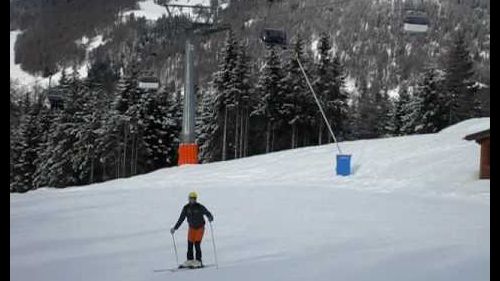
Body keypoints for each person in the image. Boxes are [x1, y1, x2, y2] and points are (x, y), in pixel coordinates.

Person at [171, 191, 214, 268]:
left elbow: (207, 212)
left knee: (197, 244)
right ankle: (190, 260)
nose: (192, 200)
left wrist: (210, 217)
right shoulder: (186, 208)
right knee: (190, 244)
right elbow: (181, 219)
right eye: (190, 199)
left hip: (200, 228)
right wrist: (175, 228)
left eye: (193, 199)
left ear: (195, 199)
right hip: (191, 228)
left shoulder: (199, 207)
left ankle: (198, 261)